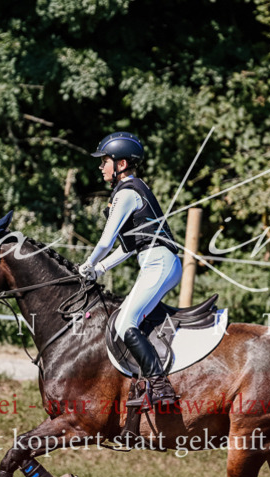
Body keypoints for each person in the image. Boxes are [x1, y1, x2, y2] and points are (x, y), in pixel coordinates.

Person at [78, 132, 182, 407]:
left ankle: (160, 388)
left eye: (105, 161)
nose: (101, 167)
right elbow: (127, 247)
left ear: (121, 164)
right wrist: (99, 269)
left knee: (125, 323)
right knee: (130, 318)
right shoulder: (135, 189)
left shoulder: (126, 192)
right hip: (157, 262)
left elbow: (105, 240)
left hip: (158, 263)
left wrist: (87, 264)